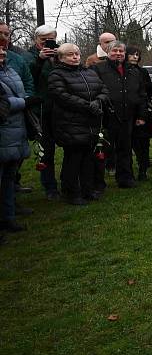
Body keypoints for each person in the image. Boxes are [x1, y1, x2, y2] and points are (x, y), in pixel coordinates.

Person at [48, 44, 108, 205]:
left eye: (77, 54)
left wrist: (98, 101)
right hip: (70, 123)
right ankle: (71, 192)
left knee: (88, 159)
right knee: (73, 160)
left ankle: (87, 190)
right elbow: (61, 95)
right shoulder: (56, 74)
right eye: (70, 55)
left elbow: (103, 89)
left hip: (90, 123)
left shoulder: (88, 71)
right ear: (61, 58)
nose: (75, 57)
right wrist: (87, 105)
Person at [93, 40, 148, 189]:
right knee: (102, 150)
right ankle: (97, 182)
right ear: (108, 52)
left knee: (125, 148)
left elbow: (141, 94)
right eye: (114, 51)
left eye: (121, 51)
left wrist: (141, 115)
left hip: (127, 116)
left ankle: (125, 178)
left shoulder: (133, 71)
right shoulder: (98, 69)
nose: (118, 54)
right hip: (106, 117)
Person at [0, 47, 31, 234]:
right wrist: (25, 102)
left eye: (3, 52)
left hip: (15, 128)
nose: (2, 54)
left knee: (9, 178)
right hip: (4, 128)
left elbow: (24, 89)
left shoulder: (10, 70)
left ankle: (9, 218)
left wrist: (26, 98)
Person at [27, 24, 60, 200]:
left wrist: (59, 59)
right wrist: (39, 60)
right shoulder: (28, 56)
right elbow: (29, 77)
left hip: (59, 107)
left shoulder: (58, 54)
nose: (47, 44)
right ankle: (50, 187)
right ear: (36, 40)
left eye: (51, 40)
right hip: (41, 109)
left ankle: (68, 180)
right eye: (43, 40)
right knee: (46, 151)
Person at [125, 45, 152, 181]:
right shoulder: (122, 71)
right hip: (126, 111)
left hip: (142, 110)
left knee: (143, 143)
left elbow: (150, 90)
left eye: (137, 55)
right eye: (132, 54)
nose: (135, 57)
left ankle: (143, 169)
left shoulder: (142, 72)